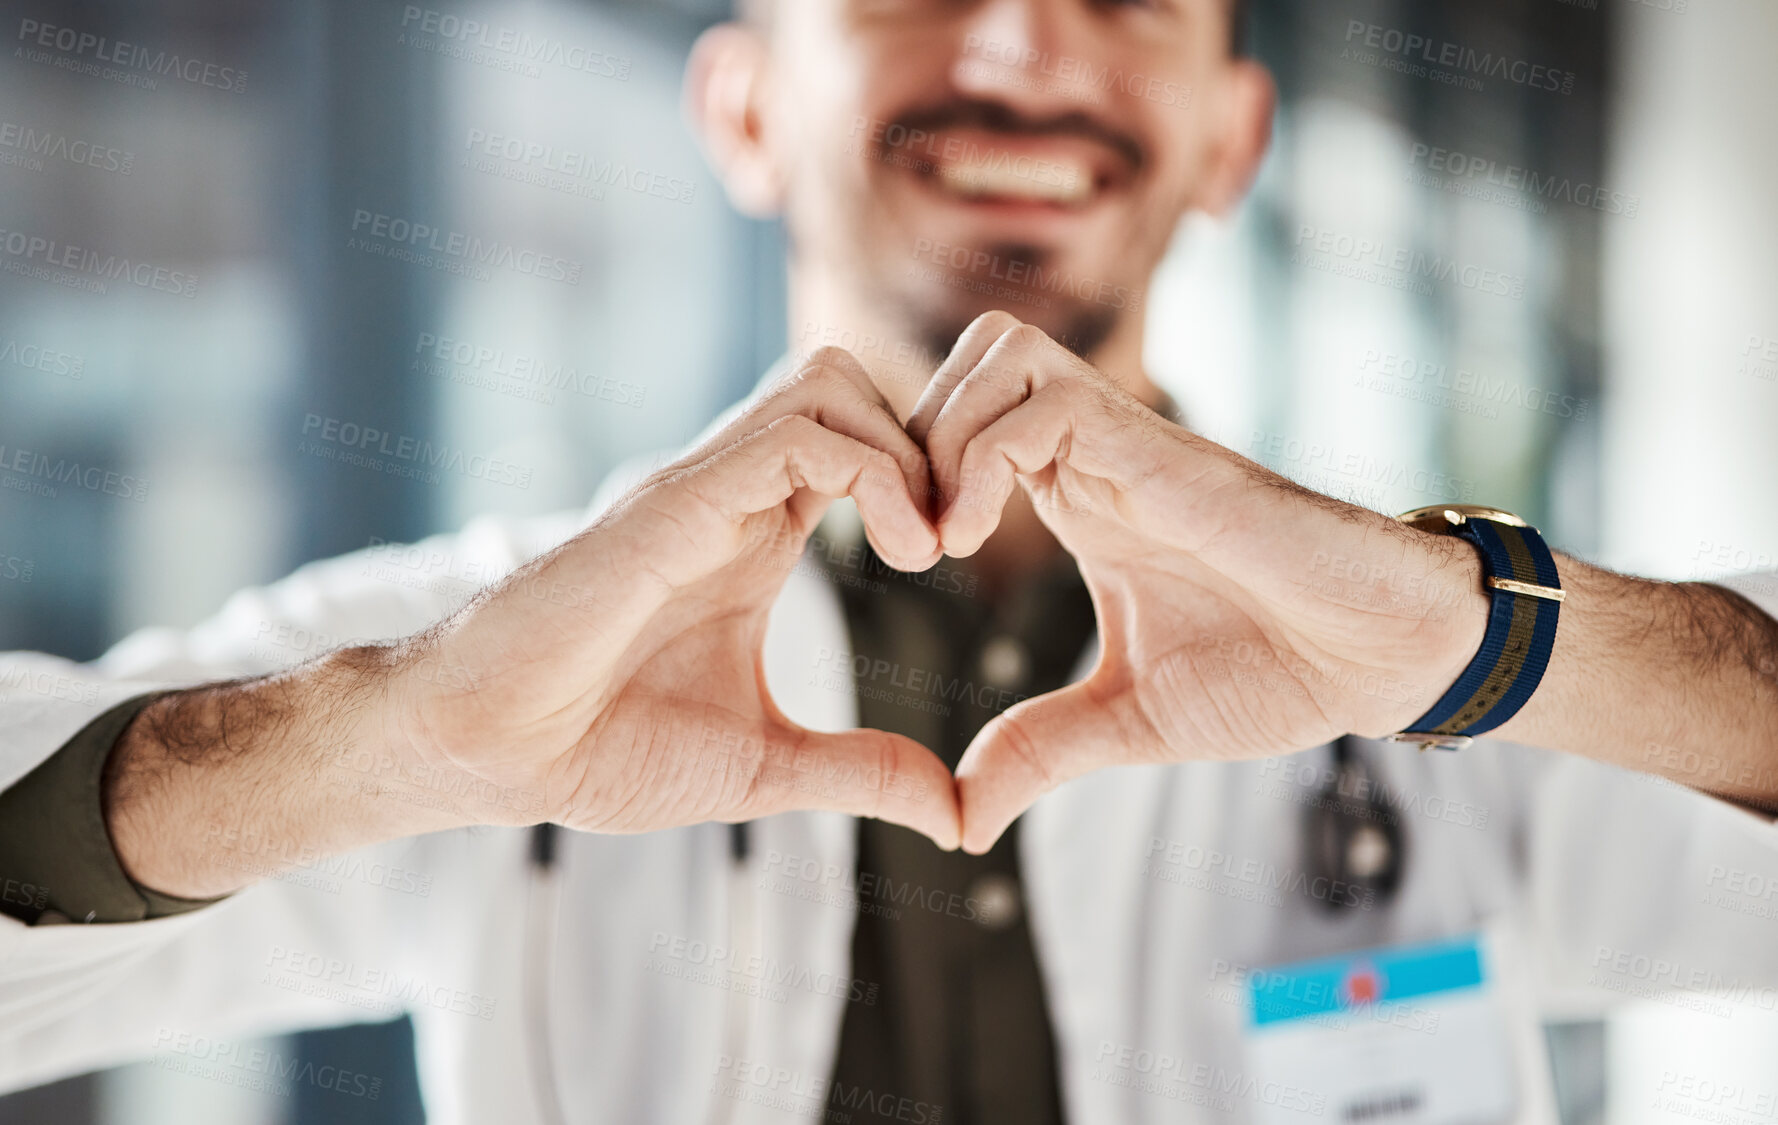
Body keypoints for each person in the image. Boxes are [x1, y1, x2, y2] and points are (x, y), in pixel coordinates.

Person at [3, 1, 1776, 1122]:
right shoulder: (489, 655)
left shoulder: (1442, 666)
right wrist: (401, 739)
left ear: (1234, 138)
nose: (1018, 45)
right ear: (743, 111)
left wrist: (1479, 635)